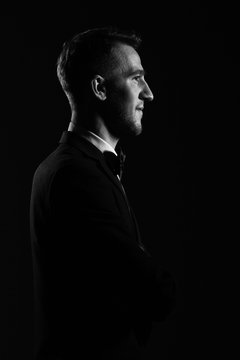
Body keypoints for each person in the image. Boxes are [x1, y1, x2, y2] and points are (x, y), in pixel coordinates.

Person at [30, 27, 176, 360]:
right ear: (99, 88)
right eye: (136, 78)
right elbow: (154, 291)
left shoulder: (67, 167)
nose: (149, 93)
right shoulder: (75, 175)